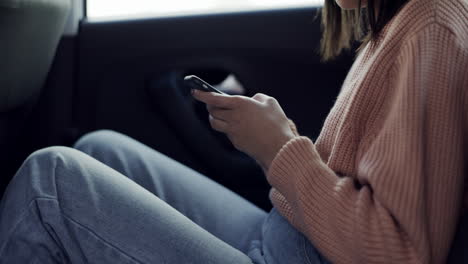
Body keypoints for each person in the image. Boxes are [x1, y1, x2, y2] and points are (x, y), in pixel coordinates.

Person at [1, 0, 467, 262]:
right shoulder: (398, 21)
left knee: (48, 185)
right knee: (101, 150)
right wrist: (277, 140)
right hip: (290, 238)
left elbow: (399, 254)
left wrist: (282, 150)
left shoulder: (430, 29)